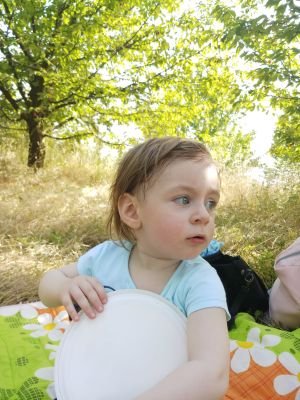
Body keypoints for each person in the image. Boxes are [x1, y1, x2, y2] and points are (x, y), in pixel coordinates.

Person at [39, 137, 230, 400]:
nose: (204, 215)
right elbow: (48, 284)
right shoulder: (107, 257)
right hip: (97, 379)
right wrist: (65, 287)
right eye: (184, 199)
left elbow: (211, 373)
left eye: (211, 203)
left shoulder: (199, 281)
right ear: (132, 210)